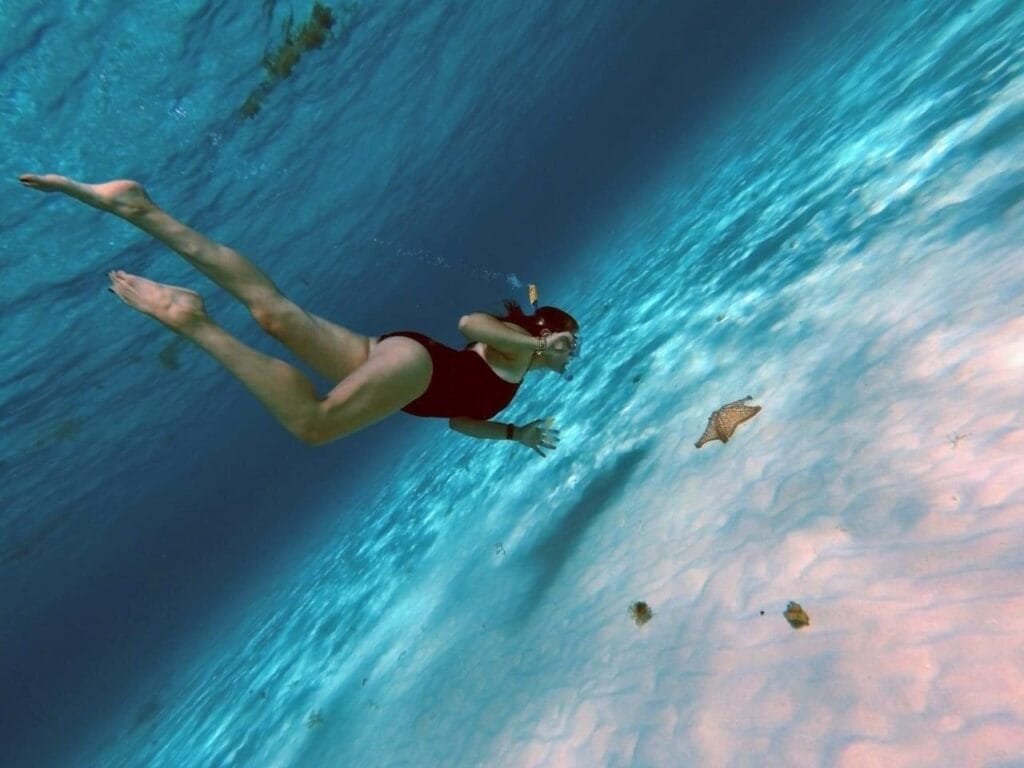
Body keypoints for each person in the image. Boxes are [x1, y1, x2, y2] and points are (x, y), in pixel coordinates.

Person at [18, 173, 579, 455]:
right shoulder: (514, 345)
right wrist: (535, 345)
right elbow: (467, 326)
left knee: (274, 314)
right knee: (314, 424)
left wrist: (515, 433)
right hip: (416, 368)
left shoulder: (516, 380)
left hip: (394, 362)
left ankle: (139, 208)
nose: (572, 351)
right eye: (570, 339)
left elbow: (458, 420)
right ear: (546, 330)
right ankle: (193, 321)